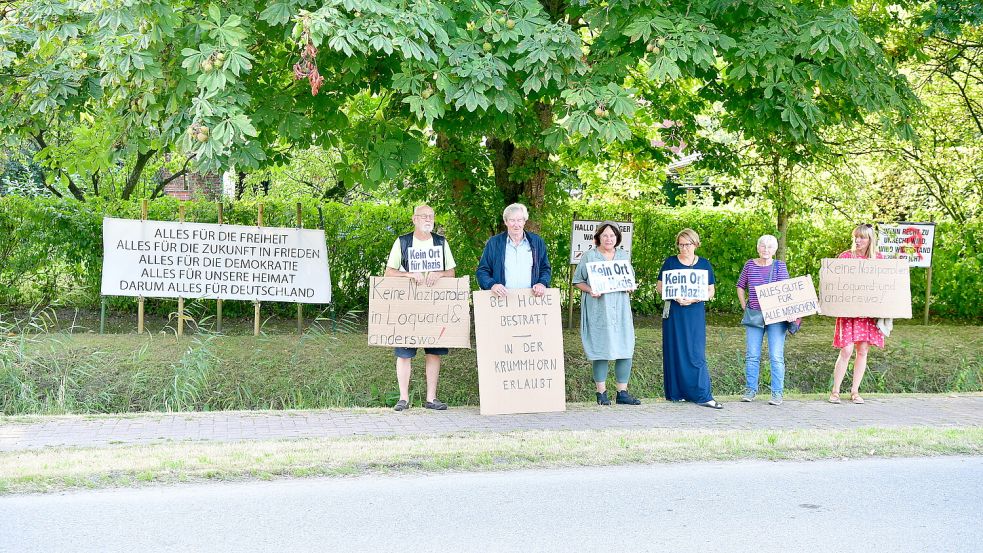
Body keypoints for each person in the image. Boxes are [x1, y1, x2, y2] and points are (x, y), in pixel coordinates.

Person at [383, 204, 456, 412]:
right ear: (414, 219)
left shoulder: (441, 243)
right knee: (404, 352)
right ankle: (403, 398)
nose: (428, 219)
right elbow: (389, 272)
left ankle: (431, 398)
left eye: (431, 216)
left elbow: (451, 273)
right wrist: (408, 274)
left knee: (433, 351)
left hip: (434, 305)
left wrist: (439, 274)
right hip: (408, 305)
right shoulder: (403, 242)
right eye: (423, 216)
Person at [572, 222, 641, 406]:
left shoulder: (622, 256)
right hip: (599, 308)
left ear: (617, 238)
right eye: (605, 236)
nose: (609, 239)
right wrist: (590, 289)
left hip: (620, 309)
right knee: (601, 349)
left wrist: (630, 287)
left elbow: (630, 281)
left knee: (625, 348)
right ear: (598, 238)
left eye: (612, 236)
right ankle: (601, 393)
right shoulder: (589, 256)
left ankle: (622, 392)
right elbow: (577, 281)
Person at [657, 228, 721, 409]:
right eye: (681, 244)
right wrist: (675, 296)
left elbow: (711, 291)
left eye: (688, 244)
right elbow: (659, 287)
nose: (684, 248)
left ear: (696, 244)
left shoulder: (704, 264)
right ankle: (678, 393)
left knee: (695, 352)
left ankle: (703, 394)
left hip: (694, 313)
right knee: (675, 350)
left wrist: (695, 298)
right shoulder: (670, 262)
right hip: (675, 312)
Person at [829, 224, 884, 405]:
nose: (858, 240)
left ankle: (855, 392)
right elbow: (834, 283)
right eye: (856, 236)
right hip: (848, 313)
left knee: (863, 350)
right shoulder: (845, 257)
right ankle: (835, 391)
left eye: (862, 237)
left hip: (868, 314)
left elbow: (885, 286)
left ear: (870, 240)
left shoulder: (878, 260)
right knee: (846, 350)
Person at [736, 234, 791, 406]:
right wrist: (744, 304)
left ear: (775, 250)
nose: (766, 250)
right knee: (752, 355)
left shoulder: (779, 266)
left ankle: (777, 393)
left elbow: (786, 291)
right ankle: (750, 390)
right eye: (763, 246)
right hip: (754, 314)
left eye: (770, 247)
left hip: (776, 318)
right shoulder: (750, 265)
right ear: (757, 248)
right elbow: (740, 285)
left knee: (776, 356)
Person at [476, 203, 551, 297]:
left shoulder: (536, 242)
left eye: (519, 220)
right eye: (512, 220)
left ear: (524, 221)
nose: (516, 224)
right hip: (502, 301)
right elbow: (482, 270)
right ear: (505, 222)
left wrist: (542, 283)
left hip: (531, 300)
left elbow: (545, 268)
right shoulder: (494, 243)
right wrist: (492, 285)